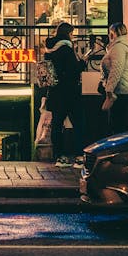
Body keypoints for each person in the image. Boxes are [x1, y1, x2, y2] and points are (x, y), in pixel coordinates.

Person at [44, 21, 85, 167]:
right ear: (68, 34)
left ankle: (60, 157)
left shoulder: (49, 50)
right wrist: (83, 63)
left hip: (55, 93)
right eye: (72, 33)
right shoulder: (66, 49)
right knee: (79, 124)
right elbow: (72, 71)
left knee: (57, 125)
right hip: (69, 93)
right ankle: (80, 155)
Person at [99, 22, 128, 134]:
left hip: (121, 91)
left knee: (117, 124)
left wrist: (109, 90)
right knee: (120, 122)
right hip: (123, 89)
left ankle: (119, 148)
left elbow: (116, 70)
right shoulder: (119, 46)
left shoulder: (118, 47)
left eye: (110, 32)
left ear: (113, 33)